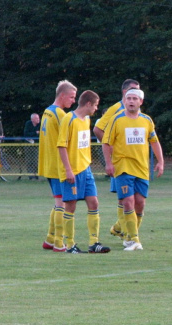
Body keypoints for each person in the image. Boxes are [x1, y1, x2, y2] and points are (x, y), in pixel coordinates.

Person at [101, 88, 164, 251]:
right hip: (123, 167)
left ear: (140, 102)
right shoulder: (116, 120)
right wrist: (108, 163)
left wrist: (160, 161)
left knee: (140, 204)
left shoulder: (147, 120)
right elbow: (106, 142)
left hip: (142, 168)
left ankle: (121, 229)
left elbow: (154, 142)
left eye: (134, 98)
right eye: (128, 98)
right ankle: (133, 239)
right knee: (128, 201)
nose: (131, 101)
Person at [57, 90, 110, 254]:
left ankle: (94, 243)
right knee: (70, 206)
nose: (96, 109)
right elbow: (61, 145)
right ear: (88, 104)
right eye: (95, 105)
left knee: (94, 202)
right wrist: (68, 170)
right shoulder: (69, 119)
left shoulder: (86, 120)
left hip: (86, 170)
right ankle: (70, 245)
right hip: (72, 171)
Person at [93, 79, 140, 242]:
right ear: (124, 92)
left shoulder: (133, 109)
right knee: (124, 196)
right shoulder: (116, 108)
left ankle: (121, 229)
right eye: (133, 90)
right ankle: (124, 231)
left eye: (138, 90)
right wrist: (112, 149)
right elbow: (98, 129)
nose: (135, 93)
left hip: (133, 162)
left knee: (127, 197)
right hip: (120, 161)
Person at [38, 80, 77, 252]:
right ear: (62, 95)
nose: (73, 101)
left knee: (57, 202)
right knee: (62, 203)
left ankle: (50, 238)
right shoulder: (60, 115)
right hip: (58, 166)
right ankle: (59, 243)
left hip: (48, 164)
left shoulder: (47, 111)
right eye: (71, 97)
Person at [23, 113, 40, 180]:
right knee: (29, 160)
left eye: (38, 118)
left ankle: (36, 175)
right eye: (36, 118)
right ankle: (30, 175)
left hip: (36, 144)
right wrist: (35, 133)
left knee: (36, 160)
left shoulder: (40, 124)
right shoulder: (28, 124)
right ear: (32, 119)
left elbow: (41, 134)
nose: (38, 120)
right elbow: (26, 134)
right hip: (28, 144)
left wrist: (35, 134)